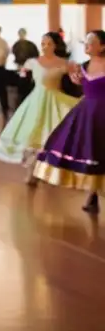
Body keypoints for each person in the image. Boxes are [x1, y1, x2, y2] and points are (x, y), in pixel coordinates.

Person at [32, 30, 105, 213]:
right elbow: (79, 87)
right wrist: (76, 81)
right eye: (86, 42)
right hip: (87, 113)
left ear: (102, 46)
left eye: (91, 42)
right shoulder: (83, 66)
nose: (86, 46)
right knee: (91, 152)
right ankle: (92, 195)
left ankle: (93, 196)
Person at [0, 32, 78, 182]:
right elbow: (23, 81)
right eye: (43, 44)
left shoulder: (64, 63)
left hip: (54, 100)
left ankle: (49, 171)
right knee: (32, 135)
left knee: (51, 135)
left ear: (56, 45)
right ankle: (31, 172)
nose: (45, 47)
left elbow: (75, 82)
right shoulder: (32, 62)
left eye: (49, 44)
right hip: (35, 101)